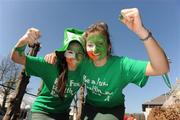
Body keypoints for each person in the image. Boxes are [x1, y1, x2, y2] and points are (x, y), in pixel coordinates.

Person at [45, 8, 169, 120]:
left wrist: (141, 31)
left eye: (100, 44)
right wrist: (56, 54)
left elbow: (161, 68)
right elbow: (69, 52)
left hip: (113, 109)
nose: (94, 49)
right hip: (90, 107)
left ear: (109, 47)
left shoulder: (122, 65)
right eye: (90, 45)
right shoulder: (84, 62)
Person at [11, 28, 85, 120]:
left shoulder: (84, 72)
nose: (75, 57)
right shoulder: (50, 65)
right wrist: (23, 41)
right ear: (64, 53)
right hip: (42, 111)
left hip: (63, 114)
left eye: (80, 53)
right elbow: (16, 57)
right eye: (70, 52)